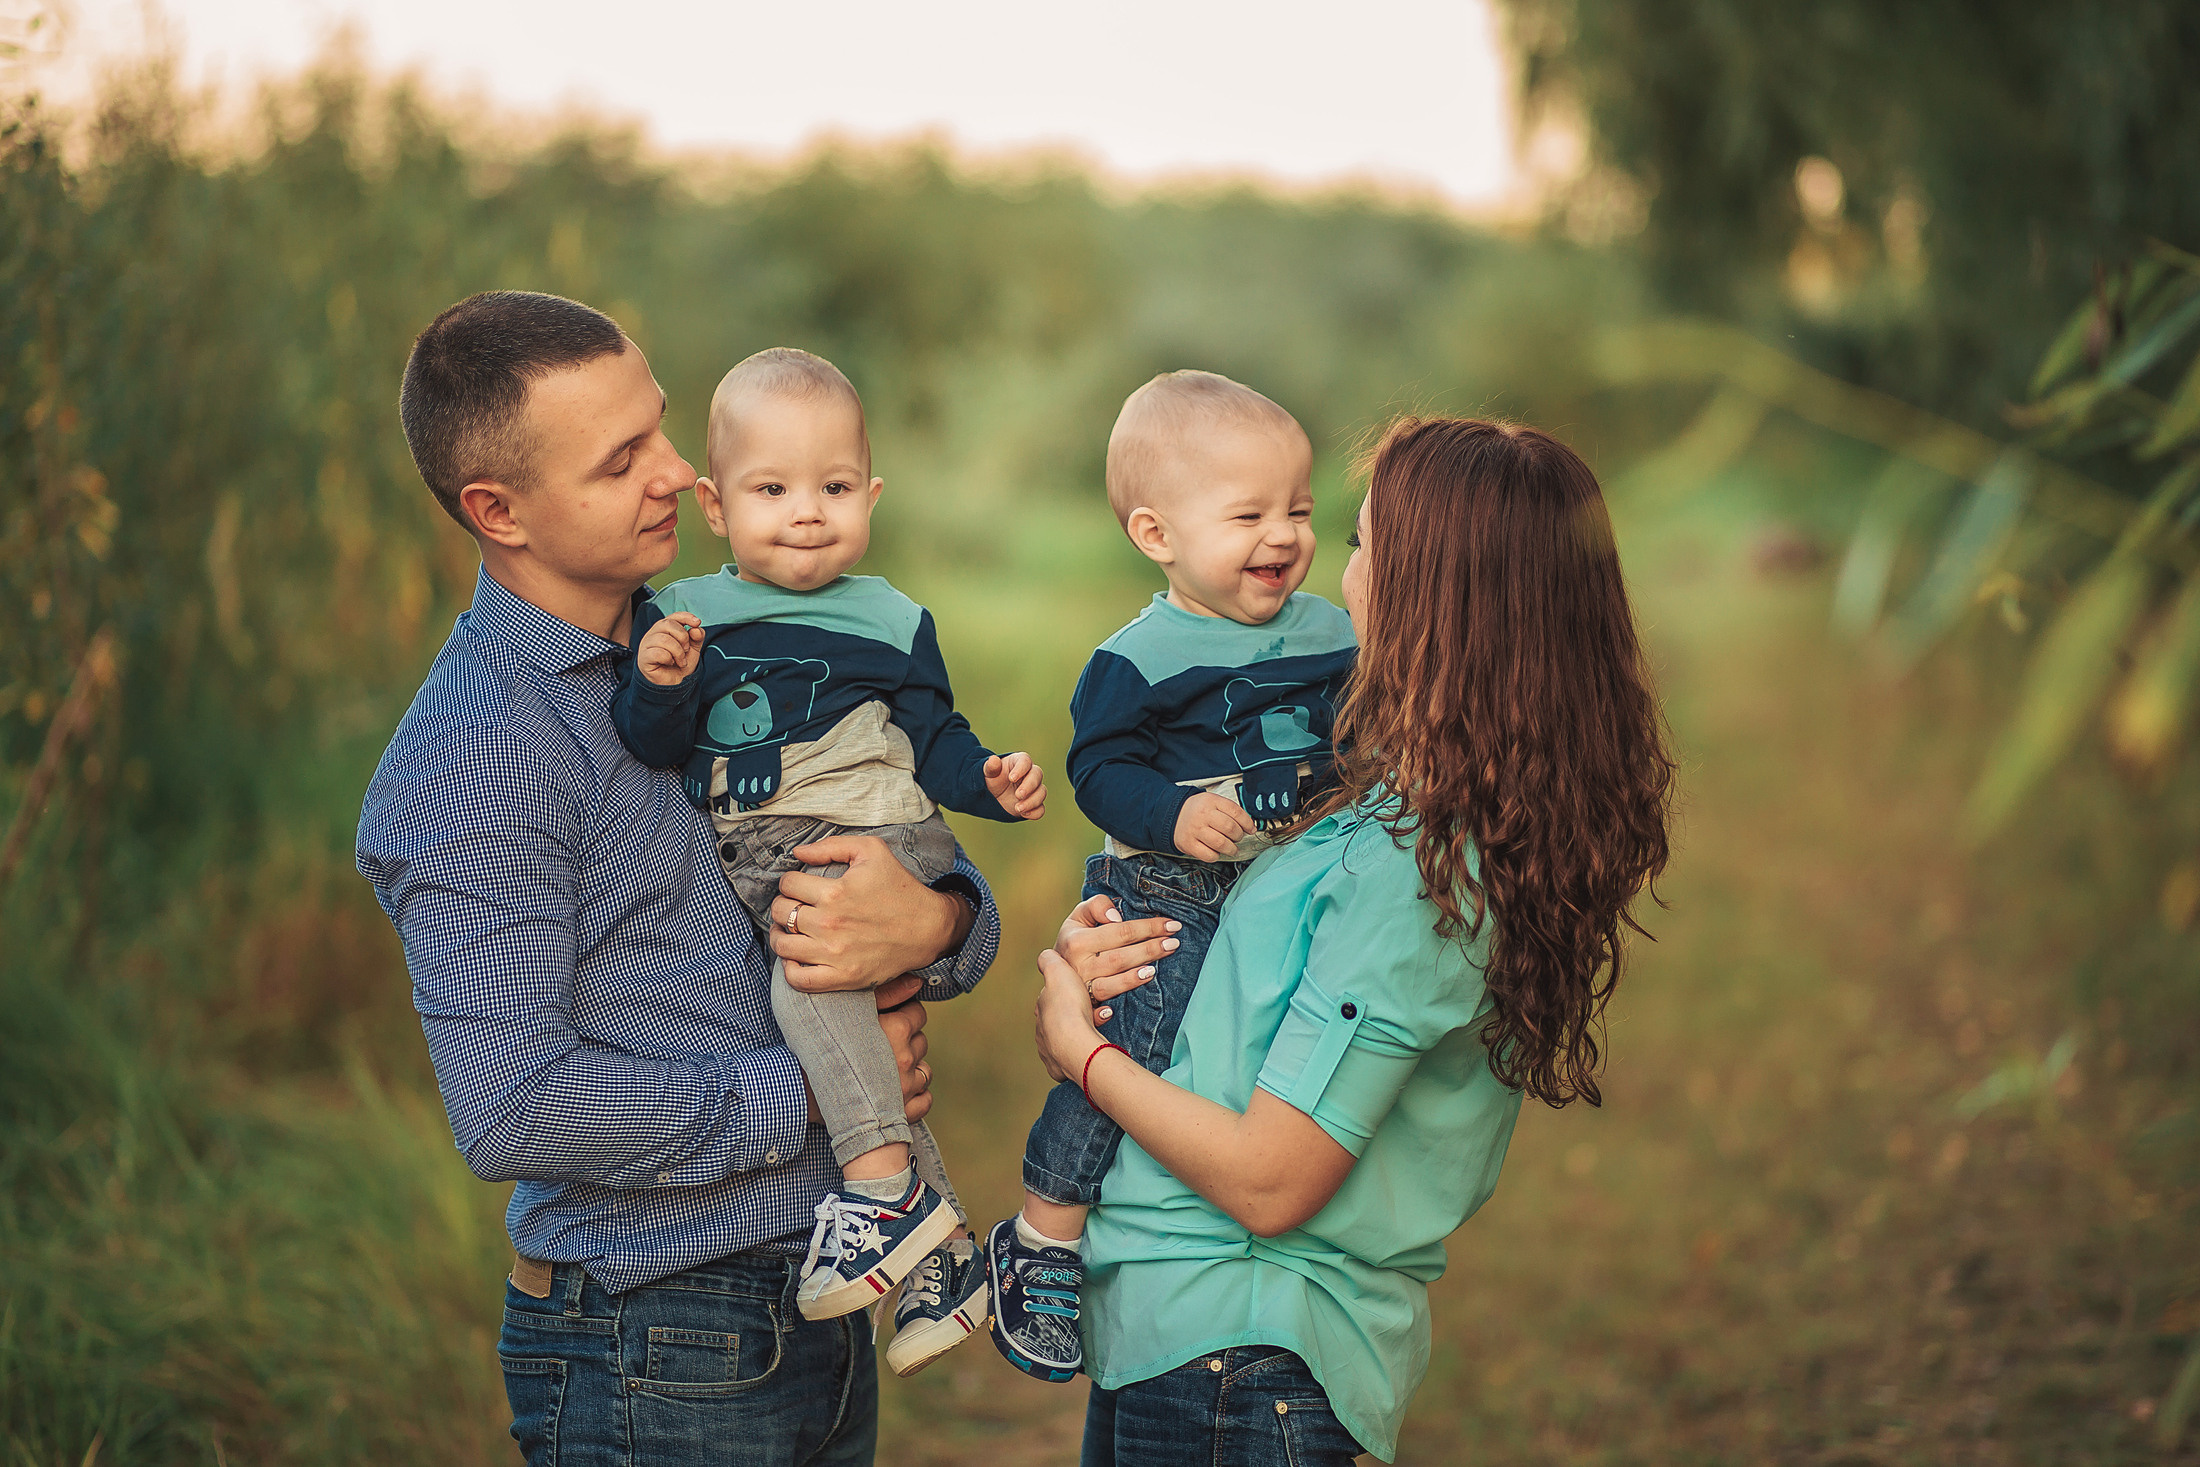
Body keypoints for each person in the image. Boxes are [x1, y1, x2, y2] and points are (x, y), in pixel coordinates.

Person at [354, 292, 1063, 1465]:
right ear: (499, 510)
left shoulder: (742, 629)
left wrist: (938, 924)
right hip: (657, 1338)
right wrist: (820, 1087)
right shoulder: (479, 760)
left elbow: (890, 832)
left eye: (664, 430)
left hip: (827, 1293)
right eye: (624, 458)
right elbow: (511, 1105)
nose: (680, 474)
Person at [1030, 417, 1677, 1464]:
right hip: (1196, 1343)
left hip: (1244, 1354)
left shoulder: (1412, 869)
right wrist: (1115, 956)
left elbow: (1272, 1182)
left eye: (1365, 542)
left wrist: (1084, 1056)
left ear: (1433, 593)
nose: (1342, 570)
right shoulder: (1381, 804)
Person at [611, 346, 1042, 1371]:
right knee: (847, 1023)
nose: (806, 511)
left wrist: (990, 782)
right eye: (773, 489)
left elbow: (937, 741)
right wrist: (660, 683)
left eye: (834, 488)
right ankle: (944, 1267)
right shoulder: (683, 615)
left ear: (871, 496)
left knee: (809, 980)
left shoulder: (892, 620)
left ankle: (881, 1192)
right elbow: (651, 746)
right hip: (759, 840)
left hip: (866, 835)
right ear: (716, 505)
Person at [988, 370, 1356, 1383]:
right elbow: (1098, 769)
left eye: (1299, 509)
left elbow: (1368, 734)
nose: (1281, 536)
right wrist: (1175, 813)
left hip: (1284, 875)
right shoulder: (1139, 657)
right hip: (1170, 884)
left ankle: (1233, 1210)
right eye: (1247, 515)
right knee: (1131, 1041)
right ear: (1157, 536)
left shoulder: (1331, 635)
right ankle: (1045, 1236)